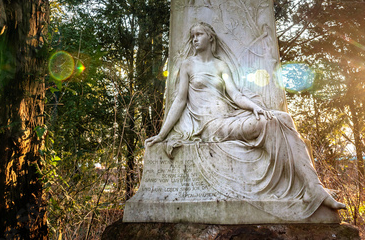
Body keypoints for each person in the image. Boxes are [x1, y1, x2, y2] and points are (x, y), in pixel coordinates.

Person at [146, 22, 345, 213]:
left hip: (230, 116)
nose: (194, 39)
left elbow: (235, 94)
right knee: (271, 123)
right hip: (211, 125)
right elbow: (180, 101)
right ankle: (313, 189)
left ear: (210, 37)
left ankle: (314, 187)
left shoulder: (220, 65)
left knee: (283, 118)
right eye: (192, 36)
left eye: (199, 35)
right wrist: (163, 134)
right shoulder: (188, 65)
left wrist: (255, 108)